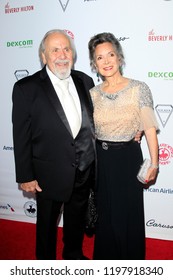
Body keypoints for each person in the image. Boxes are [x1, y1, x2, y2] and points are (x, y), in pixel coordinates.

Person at [12, 29, 96, 260]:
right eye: (55, 49)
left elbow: (97, 119)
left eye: (66, 49)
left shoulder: (84, 80)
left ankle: (73, 254)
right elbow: (20, 136)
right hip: (48, 173)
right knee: (47, 224)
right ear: (43, 55)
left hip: (83, 168)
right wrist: (25, 175)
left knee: (76, 218)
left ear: (73, 53)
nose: (62, 54)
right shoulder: (26, 88)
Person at [88, 32, 159, 260]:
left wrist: (155, 164)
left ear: (119, 57)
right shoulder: (91, 94)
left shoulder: (139, 88)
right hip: (101, 160)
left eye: (110, 55)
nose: (106, 61)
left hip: (128, 159)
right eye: (100, 58)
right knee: (106, 215)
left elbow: (148, 128)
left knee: (128, 215)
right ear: (94, 63)